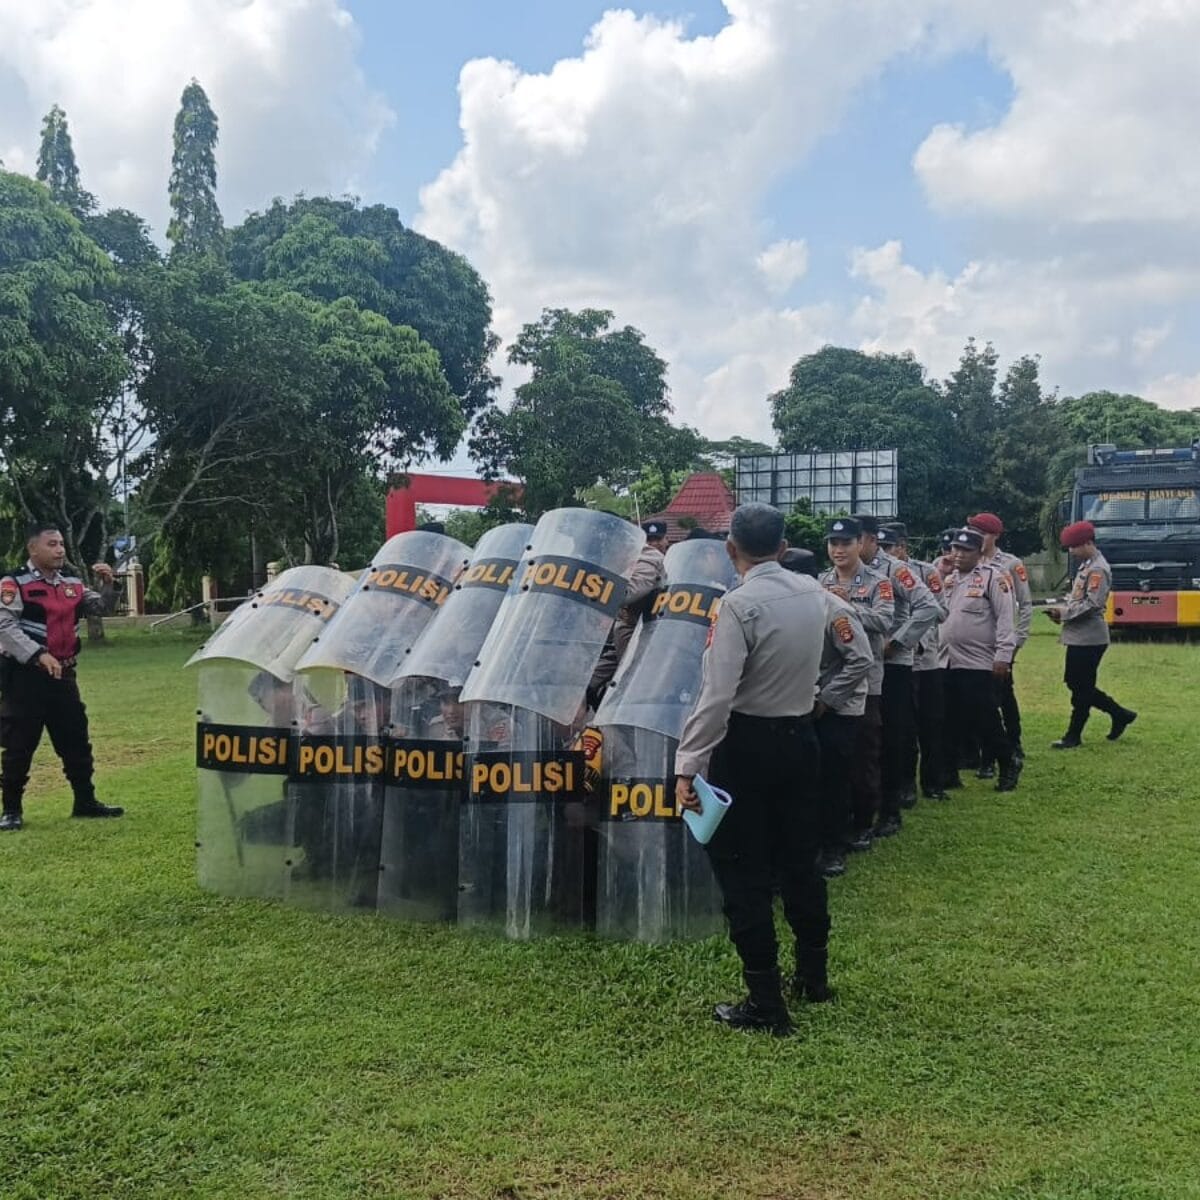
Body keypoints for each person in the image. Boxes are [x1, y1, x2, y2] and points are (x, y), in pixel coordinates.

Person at [675, 504, 828, 1036]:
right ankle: (814, 975)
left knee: (744, 873)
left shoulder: (737, 606)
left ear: (730, 550)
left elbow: (716, 698)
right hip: (802, 740)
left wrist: (687, 766)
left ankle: (765, 1001)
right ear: (784, 548)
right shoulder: (816, 594)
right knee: (800, 862)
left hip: (747, 746)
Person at [0, 523, 122, 831]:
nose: (60, 550)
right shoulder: (14, 582)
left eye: (61, 544)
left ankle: (86, 802)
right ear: (33, 549)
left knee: (76, 740)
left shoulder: (72, 582)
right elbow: (5, 626)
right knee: (19, 744)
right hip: (25, 677)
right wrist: (38, 654)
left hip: (64, 676)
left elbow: (101, 608)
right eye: (52, 544)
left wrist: (109, 584)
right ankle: (11, 810)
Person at [781, 548, 872, 879]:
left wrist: (828, 699)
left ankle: (835, 846)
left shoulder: (834, 609)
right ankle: (810, 842)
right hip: (803, 704)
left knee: (834, 776)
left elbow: (861, 659)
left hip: (838, 707)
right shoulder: (788, 608)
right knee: (807, 778)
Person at [856, 514, 938, 835]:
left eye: (856, 539)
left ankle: (891, 809)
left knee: (892, 737)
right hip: (861, 665)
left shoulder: (894, 570)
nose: (849, 545)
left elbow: (928, 607)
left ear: (872, 540)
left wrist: (900, 640)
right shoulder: (845, 574)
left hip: (894, 665)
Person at [818, 518, 894, 850]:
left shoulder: (878, 582)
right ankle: (838, 820)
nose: (838, 550)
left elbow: (885, 620)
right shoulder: (820, 580)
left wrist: (844, 606)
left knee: (864, 755)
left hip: (866, 679)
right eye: (833, 544)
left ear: (859, 544)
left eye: (845, 543)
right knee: (832, 760)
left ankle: (864, 821)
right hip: (826, 680)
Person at [938, 529, 1021, 793]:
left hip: (979, 662)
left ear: (978, 552)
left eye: (965, 550)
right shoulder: (948, 580)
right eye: (954, 549)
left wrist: (1004, 656)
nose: (958, 555)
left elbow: (1006, 619)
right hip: (947, 660)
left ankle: (1007, 762)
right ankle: (950, 772)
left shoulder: (993, 579)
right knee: (948, 720)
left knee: (985, 718)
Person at [1044, 521, 1136, 748]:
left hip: (1089, 638)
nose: (1071, 551)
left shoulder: (1097, 569)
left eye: (1074, 546)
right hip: (1079, 636)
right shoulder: (1087, 565)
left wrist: (1064, 613)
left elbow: (1092, 604)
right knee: (1077, 684)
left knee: (1080, 687)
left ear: (1087, 543)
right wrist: (1061, 613)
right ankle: (1119, 714)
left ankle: (1074, 734)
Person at [883, 523, 949, 801]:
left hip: (925, 658)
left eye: (890, 547)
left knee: (931, 723)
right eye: (882, 547)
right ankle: (905, 784)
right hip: (897, 663)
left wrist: (907, 634)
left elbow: (941, 611)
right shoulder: (878, 574)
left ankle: (933, 782)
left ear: (903, 546)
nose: (886, 553)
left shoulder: (925, 572)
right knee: (903, 727)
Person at [967, 513, 1033, 768]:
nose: (975, 537)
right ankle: (982, 751)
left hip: (1001, 642)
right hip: (975, 645)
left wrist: (1018, 641)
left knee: (1004, 696)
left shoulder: (1010, 563)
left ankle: (1013, 743)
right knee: (980, 700)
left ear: (994, 536)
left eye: (980, 533)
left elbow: (1025, 605)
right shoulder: (967, 559)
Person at [587, 520, 668, 706]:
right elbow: (627, 594)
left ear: (666, 539)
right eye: (649, 539)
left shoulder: (650, 556)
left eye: (658, 539)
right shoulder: (642, 554)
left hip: (642, 628)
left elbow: (627, 592)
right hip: (634, 629)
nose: (654, 544)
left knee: (612, 675)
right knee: (635, 687)